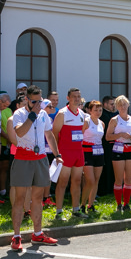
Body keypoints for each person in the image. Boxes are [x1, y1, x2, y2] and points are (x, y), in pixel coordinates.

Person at [10, 85, 61, 250]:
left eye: (40, 101)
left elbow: (49, 135)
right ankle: (16, 236)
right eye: (34, 101)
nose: (38, 104)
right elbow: (19, 132)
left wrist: (57, 154)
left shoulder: (44, 114)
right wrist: (32, 116)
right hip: (23, 158)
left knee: (38, 199)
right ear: (27, 99)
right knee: (20, 198)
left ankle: (38, 234)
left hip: (40, 158)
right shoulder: (19, 114)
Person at [53, 88, 87, 219]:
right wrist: (57, 153)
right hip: (65, 152)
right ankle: (59, 212)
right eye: (74, 96)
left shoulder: (82, 114)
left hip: (78, 151)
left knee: (77, 181)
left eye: (79, 96)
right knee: (63, 182)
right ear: (68, 98)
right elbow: (54, 133)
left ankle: (76, 209)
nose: (77, 99)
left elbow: (81, 132)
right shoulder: (62, 113)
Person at [105, 95, 131, 213]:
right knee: (119, 179)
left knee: (128, 179)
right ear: (117, 107)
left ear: (128, 105)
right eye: (120, 105)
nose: (123, 107)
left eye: (125, 104)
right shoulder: (114, 120)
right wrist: (119, 135)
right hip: (118, 149)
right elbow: (108, 137)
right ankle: (118, 204)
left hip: (130, 149)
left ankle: (127, 203)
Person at [81, 100, 105, 213]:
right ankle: (82, 205)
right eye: (95, 110)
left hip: (99, 152)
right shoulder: (86, 121)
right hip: (87, 152)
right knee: (89, 180)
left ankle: (91, 204)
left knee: (96, 180)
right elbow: (80, 137)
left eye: (100, 110)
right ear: (90, 110)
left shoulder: (102, 123)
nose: (98, 112)